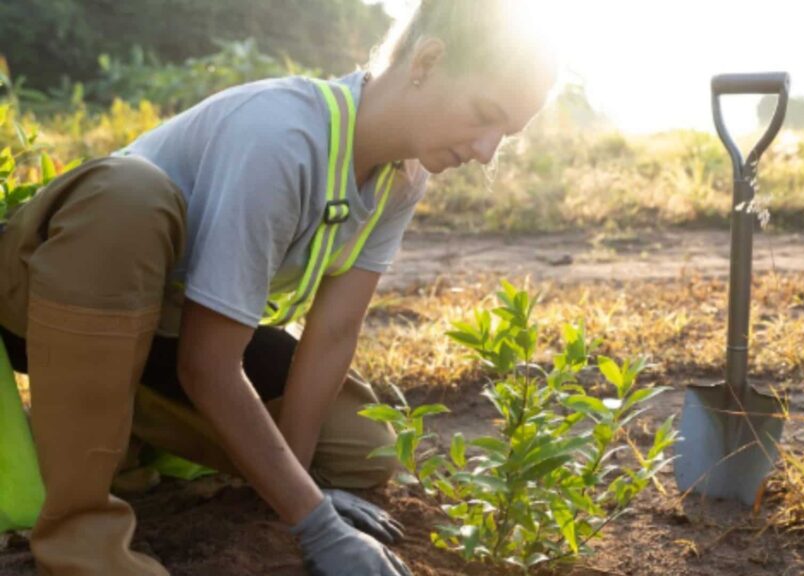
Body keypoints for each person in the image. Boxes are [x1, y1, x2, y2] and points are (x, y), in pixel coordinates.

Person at [0, 0, 558, 574]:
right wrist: (317, 527)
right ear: (429, 59)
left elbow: (334, 332)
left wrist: (301, 491)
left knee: (360, 447)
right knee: (131, 194)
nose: (487, 151)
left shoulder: (402, 177)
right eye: (485, 114)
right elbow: (208, 365)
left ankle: (123, 427)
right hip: (55, 294)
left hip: (164, 335)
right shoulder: (283, 135)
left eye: (506, 134)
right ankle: (81, 541)